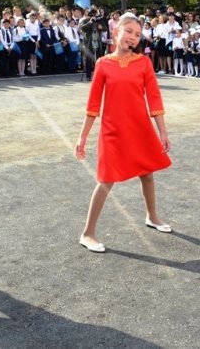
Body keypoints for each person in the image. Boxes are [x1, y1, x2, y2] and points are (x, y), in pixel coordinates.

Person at [75, 13, 172, 253]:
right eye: (129, 31)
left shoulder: (144, 63)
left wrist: (163, 132)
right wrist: (82, 137)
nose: (133, 37)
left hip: (140, 128)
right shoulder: (103, 64)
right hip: (113, 131)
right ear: (116, 31)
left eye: (137, 34)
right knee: (106, 180)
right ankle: (87, 233)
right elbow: (93, 105)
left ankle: (152, 216)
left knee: (147, 174)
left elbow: (154, 99)